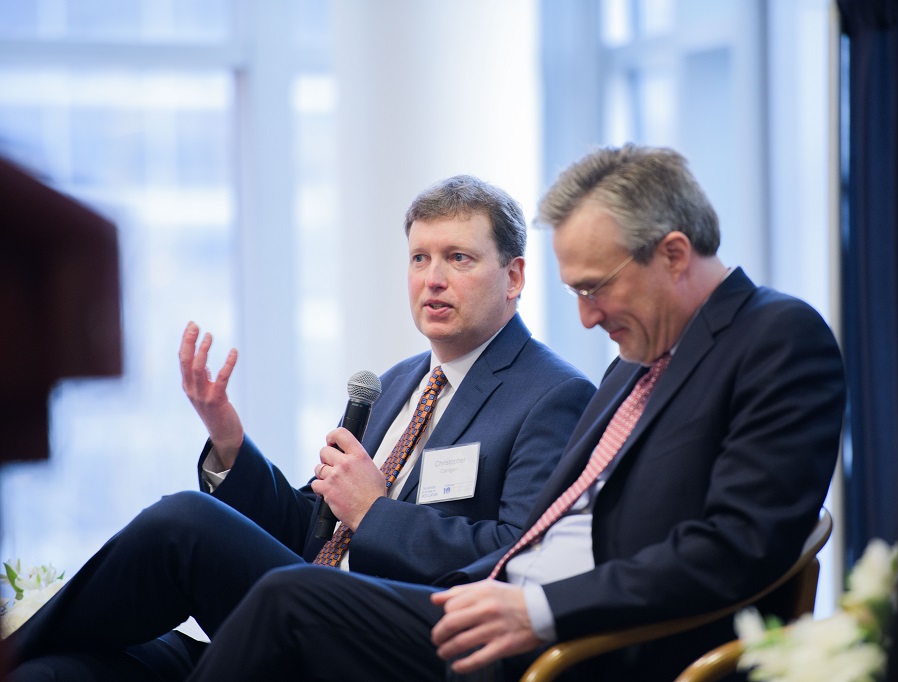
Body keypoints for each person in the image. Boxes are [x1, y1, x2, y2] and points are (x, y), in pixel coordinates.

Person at [174, 143, 848, 681]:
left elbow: (734, 547)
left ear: (673, 254)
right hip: (498, 608)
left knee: (289, 598)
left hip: (583, 643)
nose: (585, 318)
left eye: (596, 289)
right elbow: (542, 531)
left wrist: (539, 608)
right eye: (419, 259)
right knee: (137, 611)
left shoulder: (776, 338)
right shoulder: (634, 366)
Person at [6, 175, 596, 680]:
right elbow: (307, 533)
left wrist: (375, 513)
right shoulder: (395, 385)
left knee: (182, 522)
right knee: (53, 674)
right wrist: (230, 447)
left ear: (514, 276)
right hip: (287, 620)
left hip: (393, 644)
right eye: (420, 258)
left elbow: (516, 562)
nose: (432, 279)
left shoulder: (552, 396)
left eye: (458, 258)